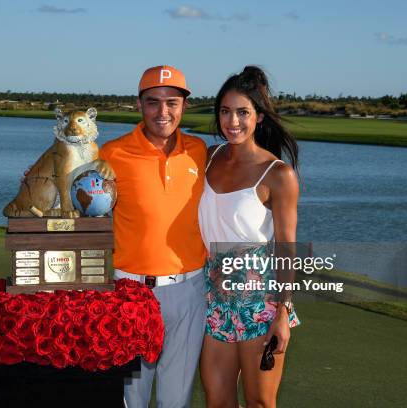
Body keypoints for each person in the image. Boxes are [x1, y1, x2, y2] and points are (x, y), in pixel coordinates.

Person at [99, 65, 208, 408]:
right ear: (139, 105)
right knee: (131, 398)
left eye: (172, 102)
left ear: (184, 106)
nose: (163, 112)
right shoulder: (111, 154)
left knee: (176, 401)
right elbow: (78, 197)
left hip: (189, 290)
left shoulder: (200, 151)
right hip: (129, 291)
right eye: (153, 102)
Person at [198, 66, 301, 408]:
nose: (233, 121)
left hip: (260, 301)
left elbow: (287, 248)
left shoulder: (278, 175)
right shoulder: (208, 157)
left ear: (259, 117)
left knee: (259, 402)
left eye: (243, 112)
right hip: (214, 296)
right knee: (217, 400)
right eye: (225, 112)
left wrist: (282, 314)